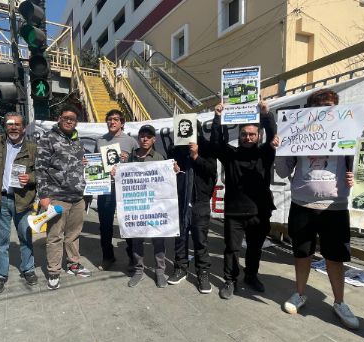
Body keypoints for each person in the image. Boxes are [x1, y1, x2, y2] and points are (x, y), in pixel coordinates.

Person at [274, 88, 359, 330]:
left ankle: (340, 302)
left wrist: (358, 175)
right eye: (319, 106)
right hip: (302, 204)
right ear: (310, 110)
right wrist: (279, 149)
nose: (324, 111)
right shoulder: (296, 132)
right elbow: (282, 171)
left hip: (336, 206)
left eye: (330, 106)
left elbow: (361, 169)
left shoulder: (349, 132)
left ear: (336, 109)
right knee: (302, 253)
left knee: (336, 257)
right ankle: (299, 293)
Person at [210, 102, 276, 300]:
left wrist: (266, 115)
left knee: (255, 248)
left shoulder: (265, 153)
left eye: (252, 134)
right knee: (232, 249)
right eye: (244, 134)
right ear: (239, 136)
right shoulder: (231, 155)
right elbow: (216, 144)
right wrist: (218, 118)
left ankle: (251, 275)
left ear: (259, 136)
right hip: (234, 212)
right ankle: (230, 280)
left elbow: (273, 137)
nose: (248, 138)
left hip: (260, 211)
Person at [36, 105, 90, 290]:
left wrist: (85, 162)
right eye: (66, 117)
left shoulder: (78, 141)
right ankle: (53, 271)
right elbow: (41, 168)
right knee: (54, 236)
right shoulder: (48, 138)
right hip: (57, 196)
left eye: (73, 119)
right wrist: (43, 195)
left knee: (73, 235)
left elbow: (81, 164)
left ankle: (73, 264)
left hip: (77, 196)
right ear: (59, 118)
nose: (69, 121)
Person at [117, 125, 177, 287]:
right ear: (138, 139)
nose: (145, 139)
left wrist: (174, 172)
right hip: (136, 207)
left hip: (156, 207)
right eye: (142, 136)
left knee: (158, 241)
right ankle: (138, 270)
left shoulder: (160, 157)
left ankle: (160, 271)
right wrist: (116, 172)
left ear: (153, 139)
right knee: (136, 241)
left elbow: (167, 182)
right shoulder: (130, 158)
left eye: (148, 136)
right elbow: (122, 179)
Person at [0, 112, 38, 291]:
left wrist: (30, 177)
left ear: (24, 128)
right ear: (5, 126)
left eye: (17, 124)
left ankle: (28, 269)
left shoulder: (32, 148)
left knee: (25, 237)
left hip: (23, 200)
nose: (13, 127)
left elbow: (42, 172)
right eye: (10, 124)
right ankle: (0, 274)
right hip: (1, 200)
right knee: (0, 241)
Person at [164, 120, 217, 294]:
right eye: (183, 128)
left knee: (201, 240)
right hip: (180, 199)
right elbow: (167, 172)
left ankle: (202, 272)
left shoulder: (207, 147)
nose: (186, 131)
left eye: (190, 128)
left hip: (199, 201)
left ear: (197, 131)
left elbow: (211, 172)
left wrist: (196, 156)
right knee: (180, 237)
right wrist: (174, 169)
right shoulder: (175, 149)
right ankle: (180, 268)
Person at [94, 109, 138, 270]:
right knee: (105, 224)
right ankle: (108, 257)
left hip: (125, 188)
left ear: (122, 123)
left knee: (127, 223)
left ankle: (133, 257)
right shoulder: (100, 140)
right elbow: (95, 163)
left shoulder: (131, 142)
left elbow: (138, 165)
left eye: (116, 119)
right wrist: (88, 163)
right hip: (106, 187)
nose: (112, 122)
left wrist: (129, 159)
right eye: (109, 119)